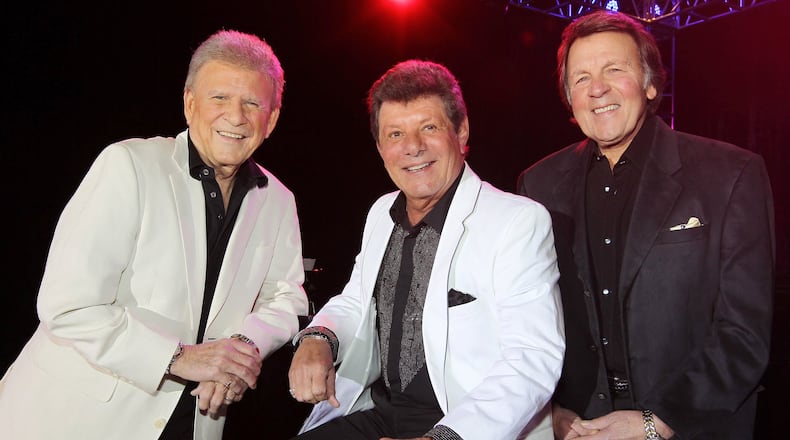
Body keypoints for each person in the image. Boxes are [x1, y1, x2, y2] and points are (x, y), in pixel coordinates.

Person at [0, 29, 309, 440]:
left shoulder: (280, 200)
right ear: (189, 103)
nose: (235, 116)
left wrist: (240, 351)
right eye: (219, 98)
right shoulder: (128, 164)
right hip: (73, 419)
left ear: (270, 119)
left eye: (252, 103)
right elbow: (67, 306)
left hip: (193, 423)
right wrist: (179, 358)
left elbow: (285, 297)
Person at [517, 10, 775, 439]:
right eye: (580, 78)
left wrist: (658, 422)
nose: (597, 88)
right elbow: (529, 321)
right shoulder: (538, 183)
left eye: (614, 70)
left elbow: (744, 334)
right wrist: (551, 411)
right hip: (578, 427)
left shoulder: (730, 174)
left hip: (690, 426)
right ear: (568, 96)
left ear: (651, 82)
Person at [286, 59, 565, 440]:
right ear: (380, 146)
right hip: (379, 411)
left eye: (429, 128)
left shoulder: (517, 221)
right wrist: (318, 336)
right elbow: (355, 301)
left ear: (461, 131)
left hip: (463, 425)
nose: (412, 147)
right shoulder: (381, 212)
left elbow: (532, 360)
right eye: (395, 134)